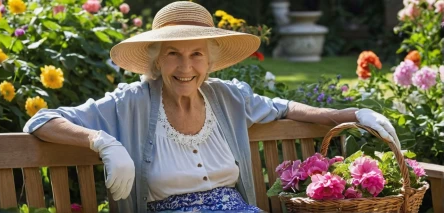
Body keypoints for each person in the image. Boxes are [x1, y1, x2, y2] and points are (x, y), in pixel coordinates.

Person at [23, 1, 400, 212]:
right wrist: (103, 143)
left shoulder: (227, 97)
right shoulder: (130, 103)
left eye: (196, 55)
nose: (185, 67)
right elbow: (42, 119)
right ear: (156, 60)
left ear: (210, 60)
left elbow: (285, 108)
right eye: (173, 53)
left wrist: (353, 114)